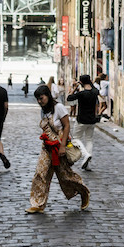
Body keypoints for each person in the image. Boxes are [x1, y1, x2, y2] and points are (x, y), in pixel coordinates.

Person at [26, 83, 90, 214]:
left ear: (48, 96)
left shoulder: (59, 107)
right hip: (47, 147)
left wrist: (62, 146)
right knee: (40, 173)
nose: (39, 101)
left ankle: (84, 192)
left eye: (41, 98)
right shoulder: (43, 110)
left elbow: (66, 126)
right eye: (37, 99)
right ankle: (38, 203)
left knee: (65, 176)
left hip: (60, 146)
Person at [66, 74, 101, 171]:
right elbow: (93, 89)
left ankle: (86, 154)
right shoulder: (95, 92)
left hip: (81, 120)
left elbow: (69, 98)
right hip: (92, 120)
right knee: (89, 139)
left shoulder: (81, 94)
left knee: (76, 139)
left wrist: (76, 87)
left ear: (81, 82)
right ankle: (88, 163)